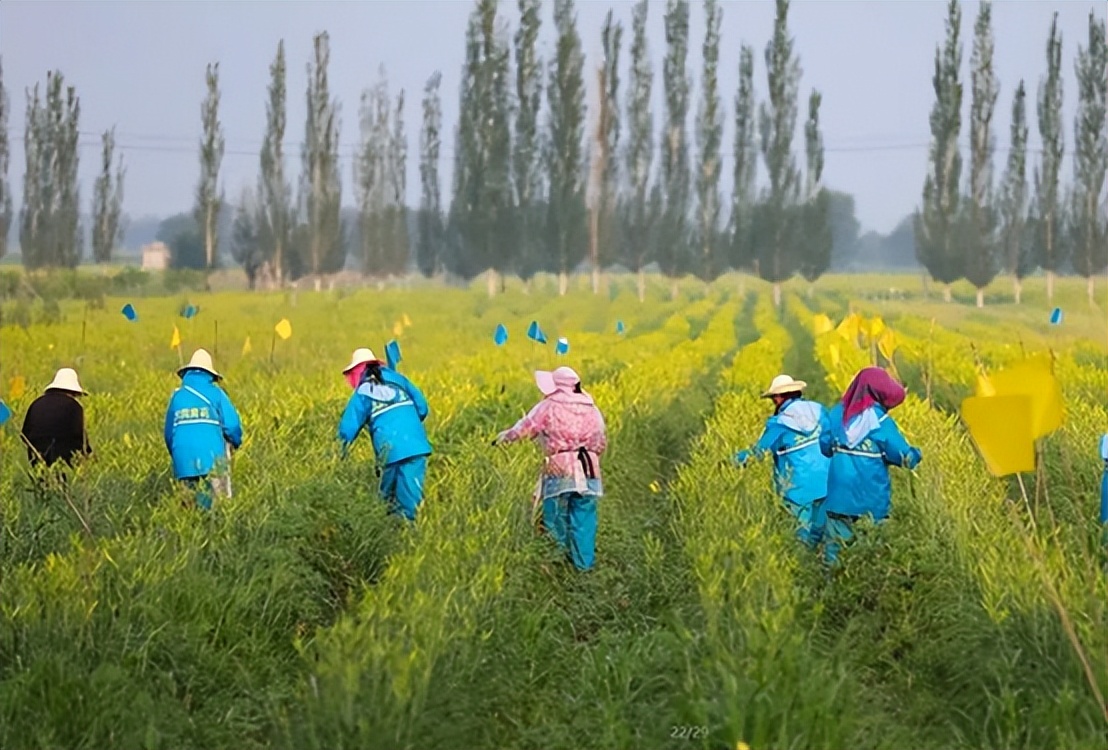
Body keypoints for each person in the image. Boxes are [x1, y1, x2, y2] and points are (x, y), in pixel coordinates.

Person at [493, 366, 607, 571]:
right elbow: (600, 442)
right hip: (589, 468)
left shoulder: (548, 406)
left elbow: (526, 427)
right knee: (585, 519)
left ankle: (557, 566)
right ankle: (583, 567)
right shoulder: (592, 408)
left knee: (556, 517)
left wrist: (504, 438)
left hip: (560, 468)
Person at [817, 366, 922, 565]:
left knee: (835, 556)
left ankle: (832, 581)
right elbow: (905, 457)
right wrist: (917, 453)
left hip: (838, 500)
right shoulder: (881, 421)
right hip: (872, 503)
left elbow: (824, 446)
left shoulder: (837, 414)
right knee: (871, 558)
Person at [732, 374, 830, 548]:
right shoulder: (820, 411)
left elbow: (757, 453)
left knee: (802, 539)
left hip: (798, 490)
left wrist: (732, 460)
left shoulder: (778, 424)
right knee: (823, 535)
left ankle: (805, 560)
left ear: (778, 398)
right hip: (826, 483)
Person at [338, 347, 432, 521]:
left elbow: (349, 426)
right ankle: (407, 529)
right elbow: (422, 407)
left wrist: (339, 452)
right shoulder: (399, 379)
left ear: (356, 371)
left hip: (389, 450)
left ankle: (392, 528)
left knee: (387, 499)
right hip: (416, 446)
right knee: (410, 497)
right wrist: (409, 423)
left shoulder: (363, 391)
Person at [164, 349, 243, 510]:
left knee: (189, 508)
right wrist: (236, 443)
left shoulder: (177, 396)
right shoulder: (216, 394)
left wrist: (178, 455)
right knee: (217, 507)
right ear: (210, 375)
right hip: (212, 459)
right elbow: (232, 426)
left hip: (183, 460)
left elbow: (169, 433)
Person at [20, 368, 92, 470]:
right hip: (64, 459)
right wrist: (89, 455)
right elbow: (79, 437)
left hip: (37, 458)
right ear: (73, 392)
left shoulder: (36, 403)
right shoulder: (74, 406)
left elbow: (24, 435)